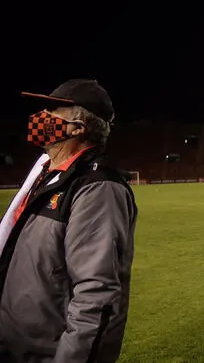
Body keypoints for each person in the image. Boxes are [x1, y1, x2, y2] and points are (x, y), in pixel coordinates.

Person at [0, 79, 138, 362]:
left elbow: (95, 296)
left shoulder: (97, 188)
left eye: (53, 111)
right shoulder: (48, 175)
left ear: (78, 127)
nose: (41, 117)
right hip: (13, 346)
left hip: (42, 354)